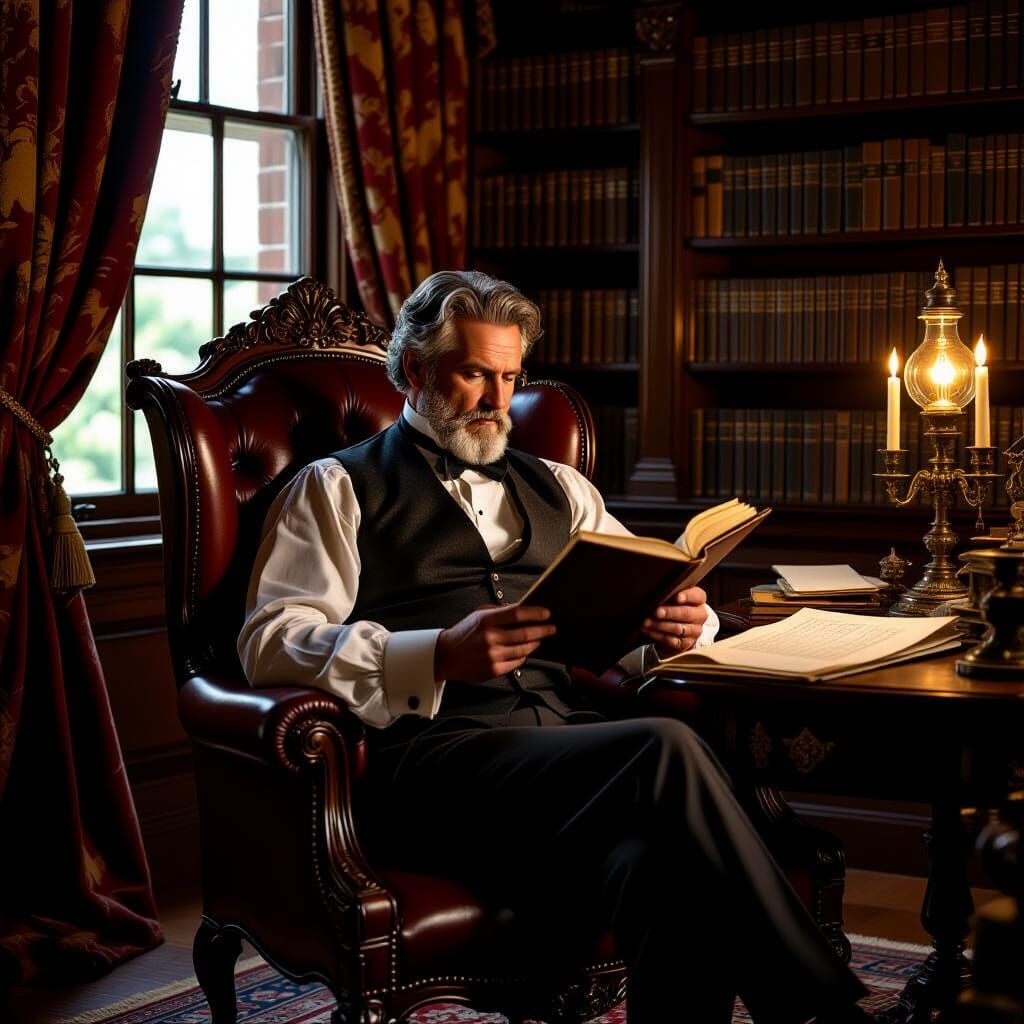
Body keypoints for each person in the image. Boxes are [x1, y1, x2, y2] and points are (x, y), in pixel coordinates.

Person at [238, 270, 876, 1023]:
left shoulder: (563, 488)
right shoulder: (333, 488)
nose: (498, 400)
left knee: (664, 866)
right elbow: (271, 643)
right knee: (665, 746)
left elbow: (630, 614)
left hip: (569, 760)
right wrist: (436, 653)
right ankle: (817, 1010)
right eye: (475, 373)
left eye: (510, 376)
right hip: (431, 767)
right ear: (415, 370)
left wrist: (675, 626)